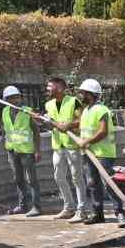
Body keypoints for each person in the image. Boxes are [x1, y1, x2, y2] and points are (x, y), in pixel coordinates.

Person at [73, 78, 125, 227]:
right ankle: (98, 214)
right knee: (92, 183)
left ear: (90, 94)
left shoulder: (102, 110)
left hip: (103, 153)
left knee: (109, 184)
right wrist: (65, 126)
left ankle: (120, 214)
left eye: (83, 93)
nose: (80, 95)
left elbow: (103, 132)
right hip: (89, 153)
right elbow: (81, 125)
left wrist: (86, 142)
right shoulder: (86, 110)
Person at [41, 76, 88, 223]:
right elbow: (50, 124)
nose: (47, 89)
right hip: (58, 146)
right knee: (59, 177)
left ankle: (82, 210)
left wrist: (68, 125)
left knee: (77, 178)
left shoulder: (74, 101)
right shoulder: (48, 105)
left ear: (60, 88)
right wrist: (43, 121)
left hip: (72, 145)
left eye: (50, 86)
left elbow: (82, 120)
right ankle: (69, 208)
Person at [0, 86, 42, 217]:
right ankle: (22, 206)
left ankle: (36, 207)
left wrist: (37, 150)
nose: (16, 100)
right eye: (12, 98)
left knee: (32, 180)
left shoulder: (28, 112)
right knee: (18, 179)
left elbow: (36, 132)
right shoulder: (5, 111)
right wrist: (4, 145)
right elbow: (4, 129)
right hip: (12, 151)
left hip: (27, 151)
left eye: (17, 97)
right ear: (6, 100)